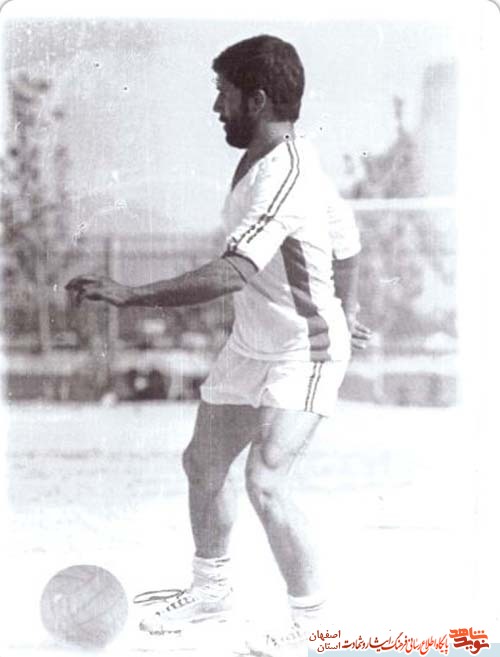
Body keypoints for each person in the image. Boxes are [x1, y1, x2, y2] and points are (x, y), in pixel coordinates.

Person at [66, 34, 371, 655]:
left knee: (266, 481)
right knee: (203, 465)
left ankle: (317, 629)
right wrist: (351, 305)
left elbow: (233, 273)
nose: (215, 108)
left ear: (256, 100)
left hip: (305, 351)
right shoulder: (274, 161)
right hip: (252, 345)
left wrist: (130, 295)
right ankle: (211, 593)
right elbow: (346, 242)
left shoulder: (285, 176)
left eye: (223, 94)